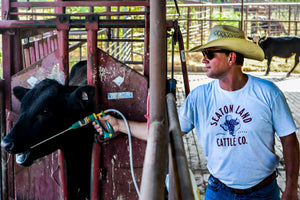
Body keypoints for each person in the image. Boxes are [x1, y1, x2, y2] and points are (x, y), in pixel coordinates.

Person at [93, 25, 299, 200]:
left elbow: (289, 139)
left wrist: (290, 187)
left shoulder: (267, 93)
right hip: (219, 191)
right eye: (204, 55)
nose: (203, 60)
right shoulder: (199, 97)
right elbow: (163, 132)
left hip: (264, 192)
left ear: (231, 58)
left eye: (210, 54)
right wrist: (120, 125)